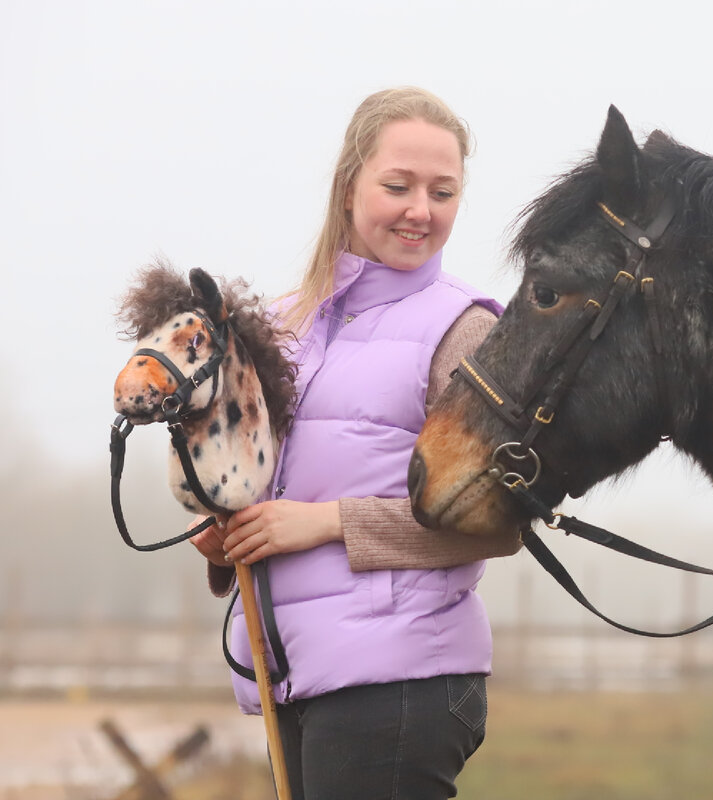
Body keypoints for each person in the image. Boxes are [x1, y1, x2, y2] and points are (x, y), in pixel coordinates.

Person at [189, 86, 520, 799]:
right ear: (348, 188)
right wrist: (228, 535)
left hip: (400, 679)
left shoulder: (464, 332)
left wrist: (323, 523)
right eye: (398, 186)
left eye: (443, 191)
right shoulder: (280, 325)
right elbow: (259, 483)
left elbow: (496, 518)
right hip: (297, 671)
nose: (421, 211)